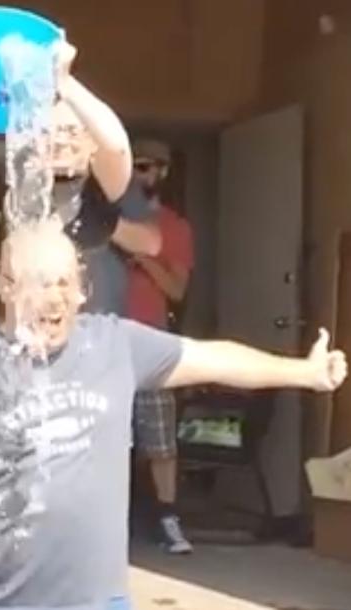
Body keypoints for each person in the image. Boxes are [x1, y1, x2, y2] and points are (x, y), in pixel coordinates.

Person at [0, 220, 348, 610]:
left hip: (99, 601)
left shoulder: (115, 345)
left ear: (81, 289)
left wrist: (305, 372)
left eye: (64, 283)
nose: (54, 299)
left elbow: (214, 358)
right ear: (5, 288)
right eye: (38, 283)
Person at [0, 39, 162, 315]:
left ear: (91, 146)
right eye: (53, 132)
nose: (62, 140)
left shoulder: (102, 182)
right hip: (16, 325)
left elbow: (117, 146)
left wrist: (64, 82)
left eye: (73, 133)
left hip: (90, 327)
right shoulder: (18, 170)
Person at [124, 138, 196, 554]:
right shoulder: (107, 219)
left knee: (161, 442)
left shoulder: (176, 227)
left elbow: (177, 290)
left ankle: (169, 518)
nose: (138, 173)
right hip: (107, 339)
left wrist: (142, 258)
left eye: (148, 166)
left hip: (153, 340)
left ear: (163, 173)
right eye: (133, 164)